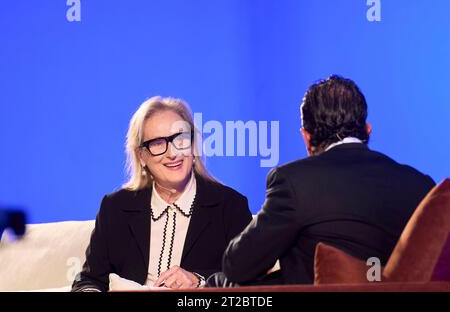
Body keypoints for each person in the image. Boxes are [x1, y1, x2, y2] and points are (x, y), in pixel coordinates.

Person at [209, 75, 436, 286]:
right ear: (367, 130)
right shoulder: (420, 185)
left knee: (220, 282)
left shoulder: (294, 181)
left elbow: (237, 266)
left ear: (306, 137)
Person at [72, 97, 252, 291]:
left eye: (180, 138)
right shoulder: (115, 208)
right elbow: (89, 280)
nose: (172, 153)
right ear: (142, 156)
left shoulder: (230, 206)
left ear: (192, 145)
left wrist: (199, 280)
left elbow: (250, 277)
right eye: (158, 143)